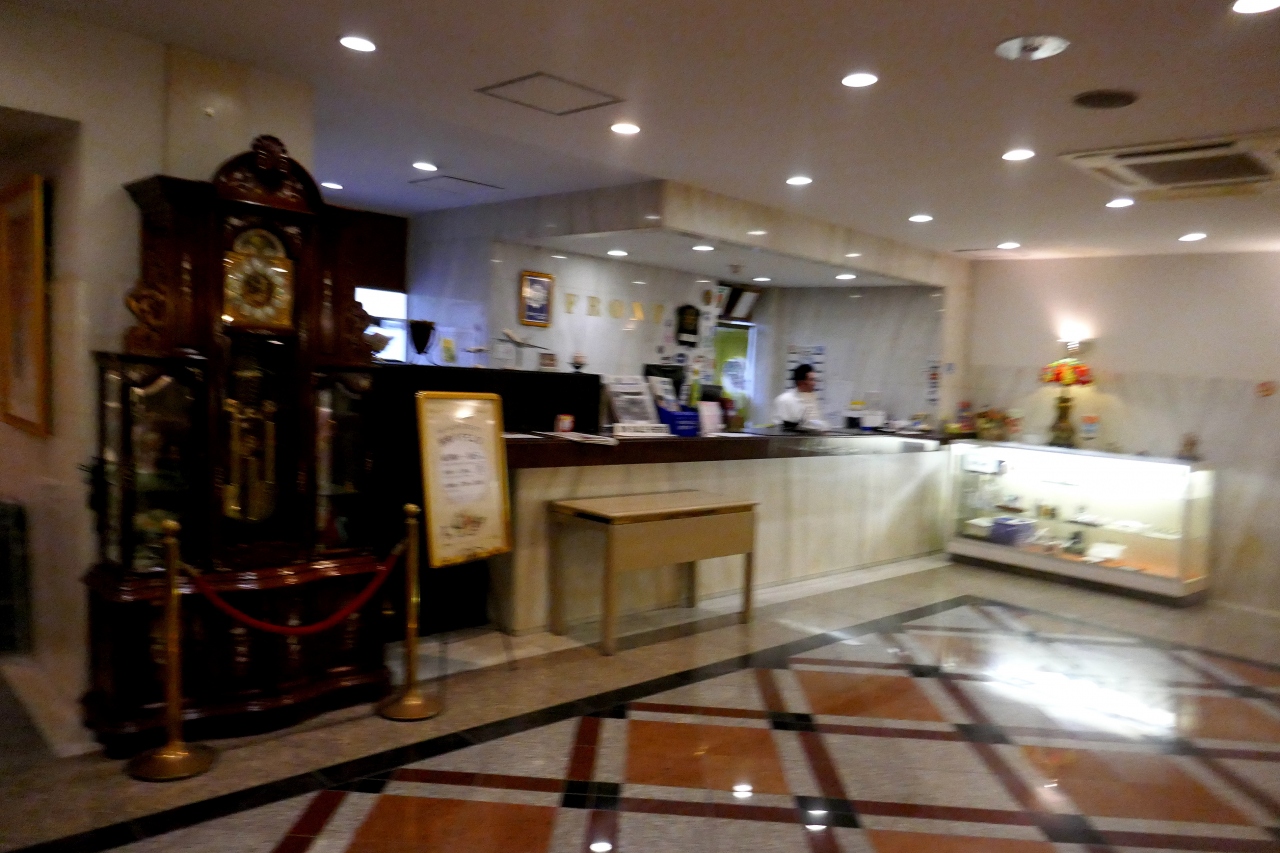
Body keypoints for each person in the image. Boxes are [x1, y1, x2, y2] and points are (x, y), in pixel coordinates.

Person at [774, 364, 828, 431]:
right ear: (801, 382)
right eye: (811, 380)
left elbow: (815, 421)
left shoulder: (813, 397)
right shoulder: (785, 400)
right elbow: (780, 427)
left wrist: (823, 426)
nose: (814, 383)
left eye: (815, 380)